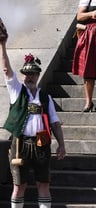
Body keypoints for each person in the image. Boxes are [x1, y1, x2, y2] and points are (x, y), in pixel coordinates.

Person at [0, 21, 66, 208]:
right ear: (23, 76)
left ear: (38, 76)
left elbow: (54, 123)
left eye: (33, 74)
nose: (29, 77)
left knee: (43, 184)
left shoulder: (46, 97)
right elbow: (6, 70)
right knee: (19, 186)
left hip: (42, 142)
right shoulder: (16, 91)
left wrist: (61, 144)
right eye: (27, 74)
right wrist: (2, 45)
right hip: (20, 143)